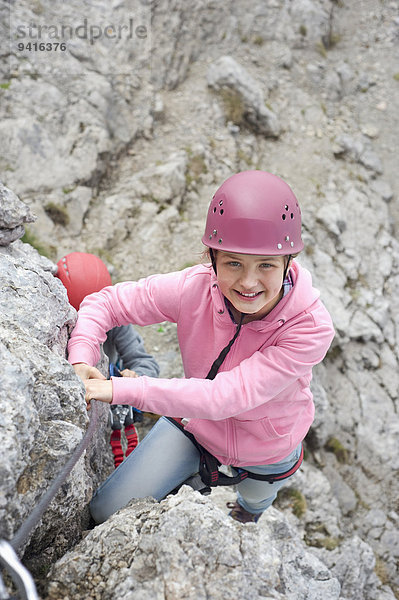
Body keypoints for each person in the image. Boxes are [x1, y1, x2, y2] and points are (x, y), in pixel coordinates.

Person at [67, 171, 335, 524]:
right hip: (197, 425)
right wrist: (82, 357)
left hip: (268, 443)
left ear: (288, 263)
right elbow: (106, 302)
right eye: (233, 263)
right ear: (212, 259)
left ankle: (247, 512)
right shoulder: (194, 289)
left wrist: (118, 389)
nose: (249, 282)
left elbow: (227, 396)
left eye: (266, 265)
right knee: (104, 512)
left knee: (255, 498)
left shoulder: (310, 328)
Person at [56, 252, 160, 467]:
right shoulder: (54, 323)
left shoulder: (115, 323)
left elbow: (146, 362)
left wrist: (135, 376)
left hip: (110, 387)